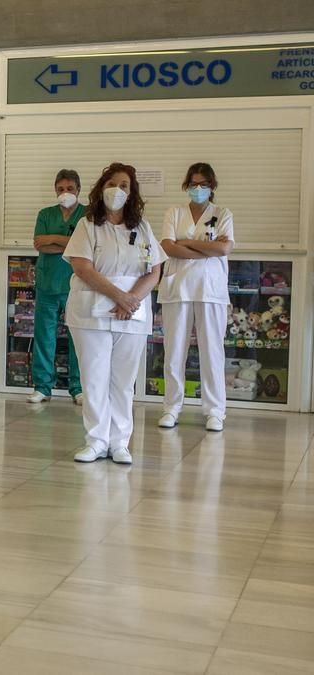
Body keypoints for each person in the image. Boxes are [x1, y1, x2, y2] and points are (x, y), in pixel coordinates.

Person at [64, 163, 165, 466]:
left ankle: (119, 442)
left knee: (123, 381)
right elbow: (82, 267)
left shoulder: (143, 227)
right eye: (112, 183)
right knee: (94, 378)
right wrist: (118, 296)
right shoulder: (87, 225)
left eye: (124, 185)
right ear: (101, 188)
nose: (117, 190)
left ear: (131, 192)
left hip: (131, 313)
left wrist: (131, 299)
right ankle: (96, 441)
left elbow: (155, 271)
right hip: (91, 312)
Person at [158, 163, 234, 432]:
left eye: (203, 184)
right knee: (174, 351)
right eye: (193, 183)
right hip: (177, 289)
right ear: (186, 185)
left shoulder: (222, 213)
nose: (198, 188)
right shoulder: (174, 212)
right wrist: (206, 249)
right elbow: (167, 247)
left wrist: (186, 244)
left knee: (212, 351)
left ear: (212, 186)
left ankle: (215, 411)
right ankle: (171, 407)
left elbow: (224, 247)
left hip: (210, 291)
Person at [27, 170, 85, 405]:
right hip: (48, 284)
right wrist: (68, 243)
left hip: (76, 284)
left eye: (70, 188)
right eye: (61, 189)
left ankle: (78, 387)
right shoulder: (45, 214)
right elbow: (40, 245)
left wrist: (55, 240)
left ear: (79, 190)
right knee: (44, 336)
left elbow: (84, 247)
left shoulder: (87, 215)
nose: (65, 193)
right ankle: (42, 386)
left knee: (78, 338)